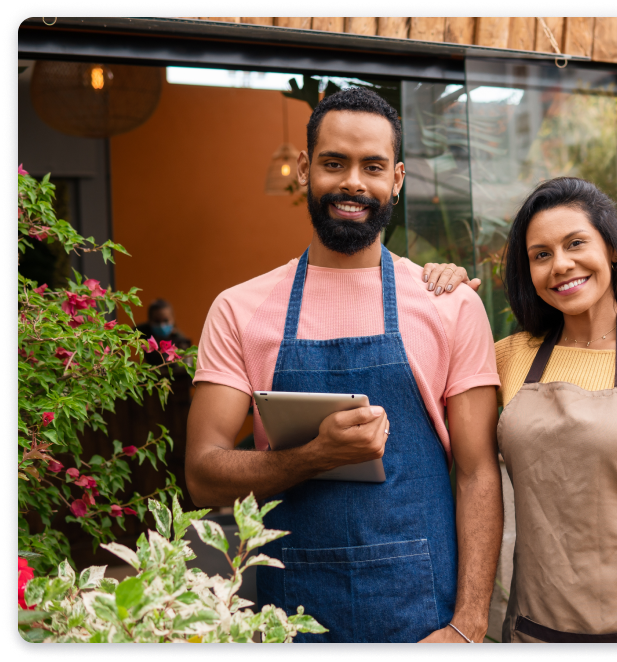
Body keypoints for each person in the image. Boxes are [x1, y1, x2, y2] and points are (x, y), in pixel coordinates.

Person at [185, 88, 502, 644]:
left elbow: (479, 472)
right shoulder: (239, 309)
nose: (354, 182)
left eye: (373, 166)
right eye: (335, 163)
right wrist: (314, 456)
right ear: (306, 169)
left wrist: (469, 624)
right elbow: (203, 475)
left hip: (427, 616)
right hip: (292, 617)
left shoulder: (450, 304)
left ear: (397, 179)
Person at [424, 177, 617, 643]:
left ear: (612, 249)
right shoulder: (507, 356)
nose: (561, 265)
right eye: (541, 255)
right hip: (536, 626)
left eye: (576, 244)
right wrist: (446, 296)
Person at [136, 298, 192, 367]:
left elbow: (186, 367)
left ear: (173, 320)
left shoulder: (181, 341)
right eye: (157, 321)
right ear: (149, 321)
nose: (161, 325)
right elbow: (121, 340)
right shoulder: (142, 332)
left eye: (166, 320)